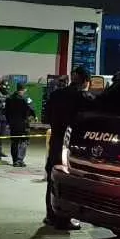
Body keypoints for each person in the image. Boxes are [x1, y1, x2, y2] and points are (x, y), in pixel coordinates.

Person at [44, 66, 95, 230]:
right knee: (69, 181)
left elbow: (46, 117)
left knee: (53, 178)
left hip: (56, 142)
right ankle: (64, 219)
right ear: (86, 81)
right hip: (73, 146)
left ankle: (51, 215)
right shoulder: (85, 98)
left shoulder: (56, 94)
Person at [5, 82, 35, 167]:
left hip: (13, 124)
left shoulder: (10, 98)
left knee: (14, 141)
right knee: (24, 141)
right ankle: (19, 160)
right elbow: (32, 108)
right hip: (24, 124)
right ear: (24, 89)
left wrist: (9, 122)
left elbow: (6, 112)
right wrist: (34, 116)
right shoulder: (26, 98)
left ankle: (15, 160)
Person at [0, 80, 10, 158]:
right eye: (5, 87)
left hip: (5, 118)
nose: (6, 89)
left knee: (1, 136)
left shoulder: (8, 95)